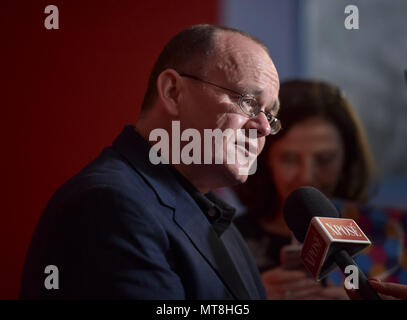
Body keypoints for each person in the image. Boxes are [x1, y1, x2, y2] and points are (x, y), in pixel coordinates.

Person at [19, 24, 281, 299]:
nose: (263, 127)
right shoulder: (109, 206)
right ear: (172, 91)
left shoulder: (213, 216)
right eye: (248, 101)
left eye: (270, 115)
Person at [233, 79, 376, 299]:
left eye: (325, 159)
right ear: (263, 159)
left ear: (347, 160)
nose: (306, 176)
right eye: (289, 159)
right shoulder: (228, 240)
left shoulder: (389, 235)